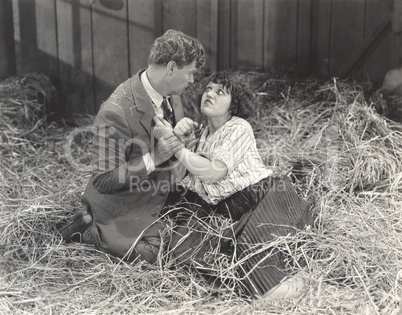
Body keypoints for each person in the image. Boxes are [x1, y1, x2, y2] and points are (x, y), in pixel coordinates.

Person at [153, 72, 312, 299]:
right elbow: (182, 178)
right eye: (208, 89)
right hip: (228, 211)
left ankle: (301, 285)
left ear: (233, 104)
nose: (210, 94)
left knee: (256, 267)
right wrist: (178, 141)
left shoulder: (239, 128)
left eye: (220, 92)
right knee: (181, 251)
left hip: (263, 200)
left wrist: (179, 150)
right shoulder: (201, 134)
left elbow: (213, 172)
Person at [60, 29, 206, 263]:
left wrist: (183, 143)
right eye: (189, 73)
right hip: (122, 202)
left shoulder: (170, 93)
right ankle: (91, 228)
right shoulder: (114, 113)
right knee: (161, 255)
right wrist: (156, 157)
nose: (191, 80)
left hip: (156, 187)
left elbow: (172, 148)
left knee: (205, 218)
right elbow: (104, 179)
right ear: (170, 68)